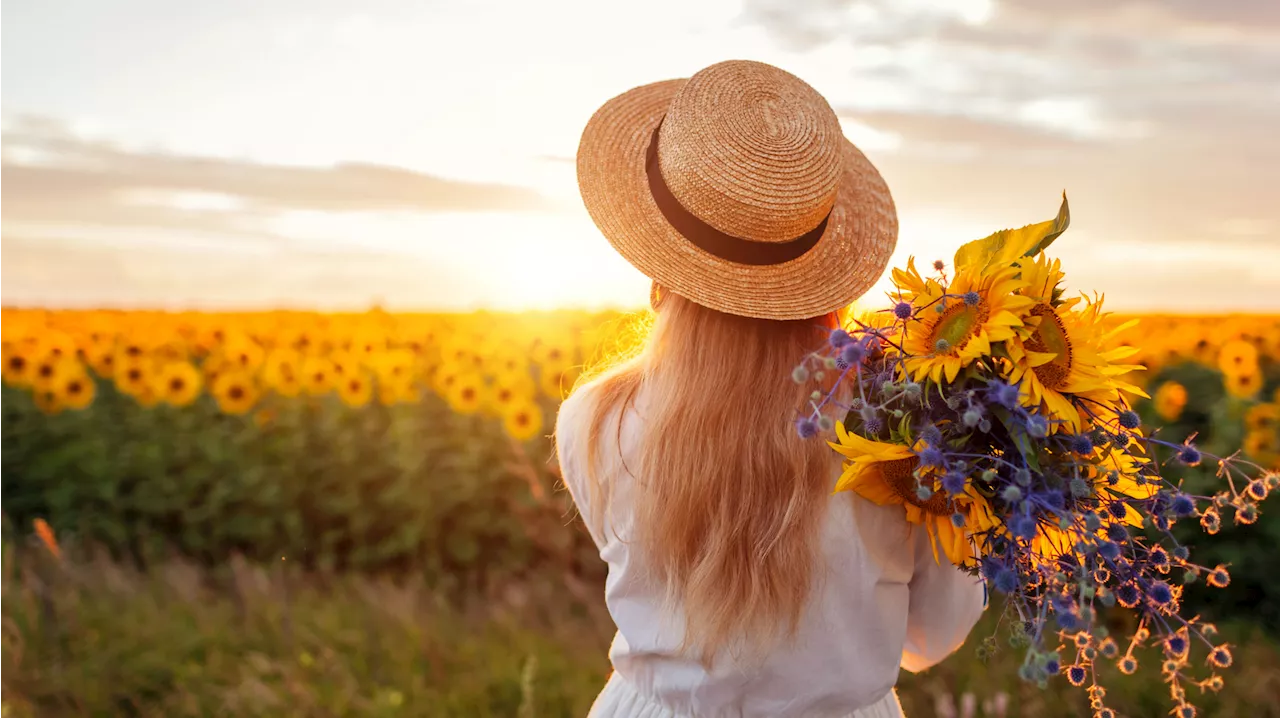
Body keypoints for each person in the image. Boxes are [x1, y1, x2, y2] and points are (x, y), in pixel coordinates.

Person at [557, 59, 986, 718]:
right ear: (826, 280)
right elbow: (933, 633)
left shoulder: (595, 417)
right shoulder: (907, 434)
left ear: (658, 271)